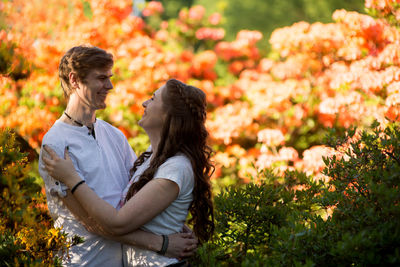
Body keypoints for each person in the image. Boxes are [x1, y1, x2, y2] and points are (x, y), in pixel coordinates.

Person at [38, 46, 197, 266]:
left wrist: (174, 225)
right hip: (85, 262)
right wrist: (161, 242)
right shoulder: (55, 144)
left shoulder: (114, 135)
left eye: (110, 78)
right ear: (74, 80)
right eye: (101, 78)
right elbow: (92, 222)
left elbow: (138, 192)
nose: (110, 86)